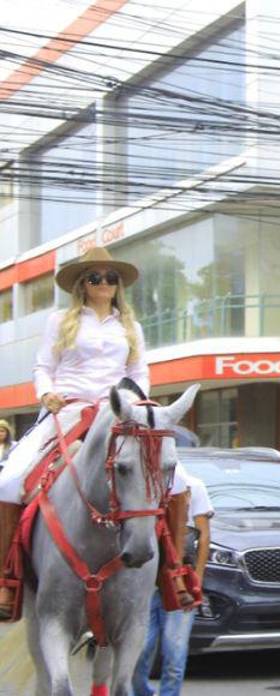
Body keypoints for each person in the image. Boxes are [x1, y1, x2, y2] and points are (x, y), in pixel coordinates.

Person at [0, 247, 193, 620]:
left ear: (118, 284)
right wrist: (46, 393)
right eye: (95, 277)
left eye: (110, 278)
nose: (103, 284)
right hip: (69, 408)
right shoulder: (61, 320)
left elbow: (139, 373)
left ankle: (175, 572)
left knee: (180, 483)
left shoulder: (130, 326)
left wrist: (139, 404)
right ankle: (6, 580)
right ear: (82, 284)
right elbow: (43, 366)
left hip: (121, 413)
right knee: (8, 480)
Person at [132, 465, 213, 696]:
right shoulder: (144, 486)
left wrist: (197, 576)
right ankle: (142, 692)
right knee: (139, 651)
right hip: (146, 583)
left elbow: (204, 535)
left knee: (174, 652)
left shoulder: (194, 485)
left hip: (181, 581)